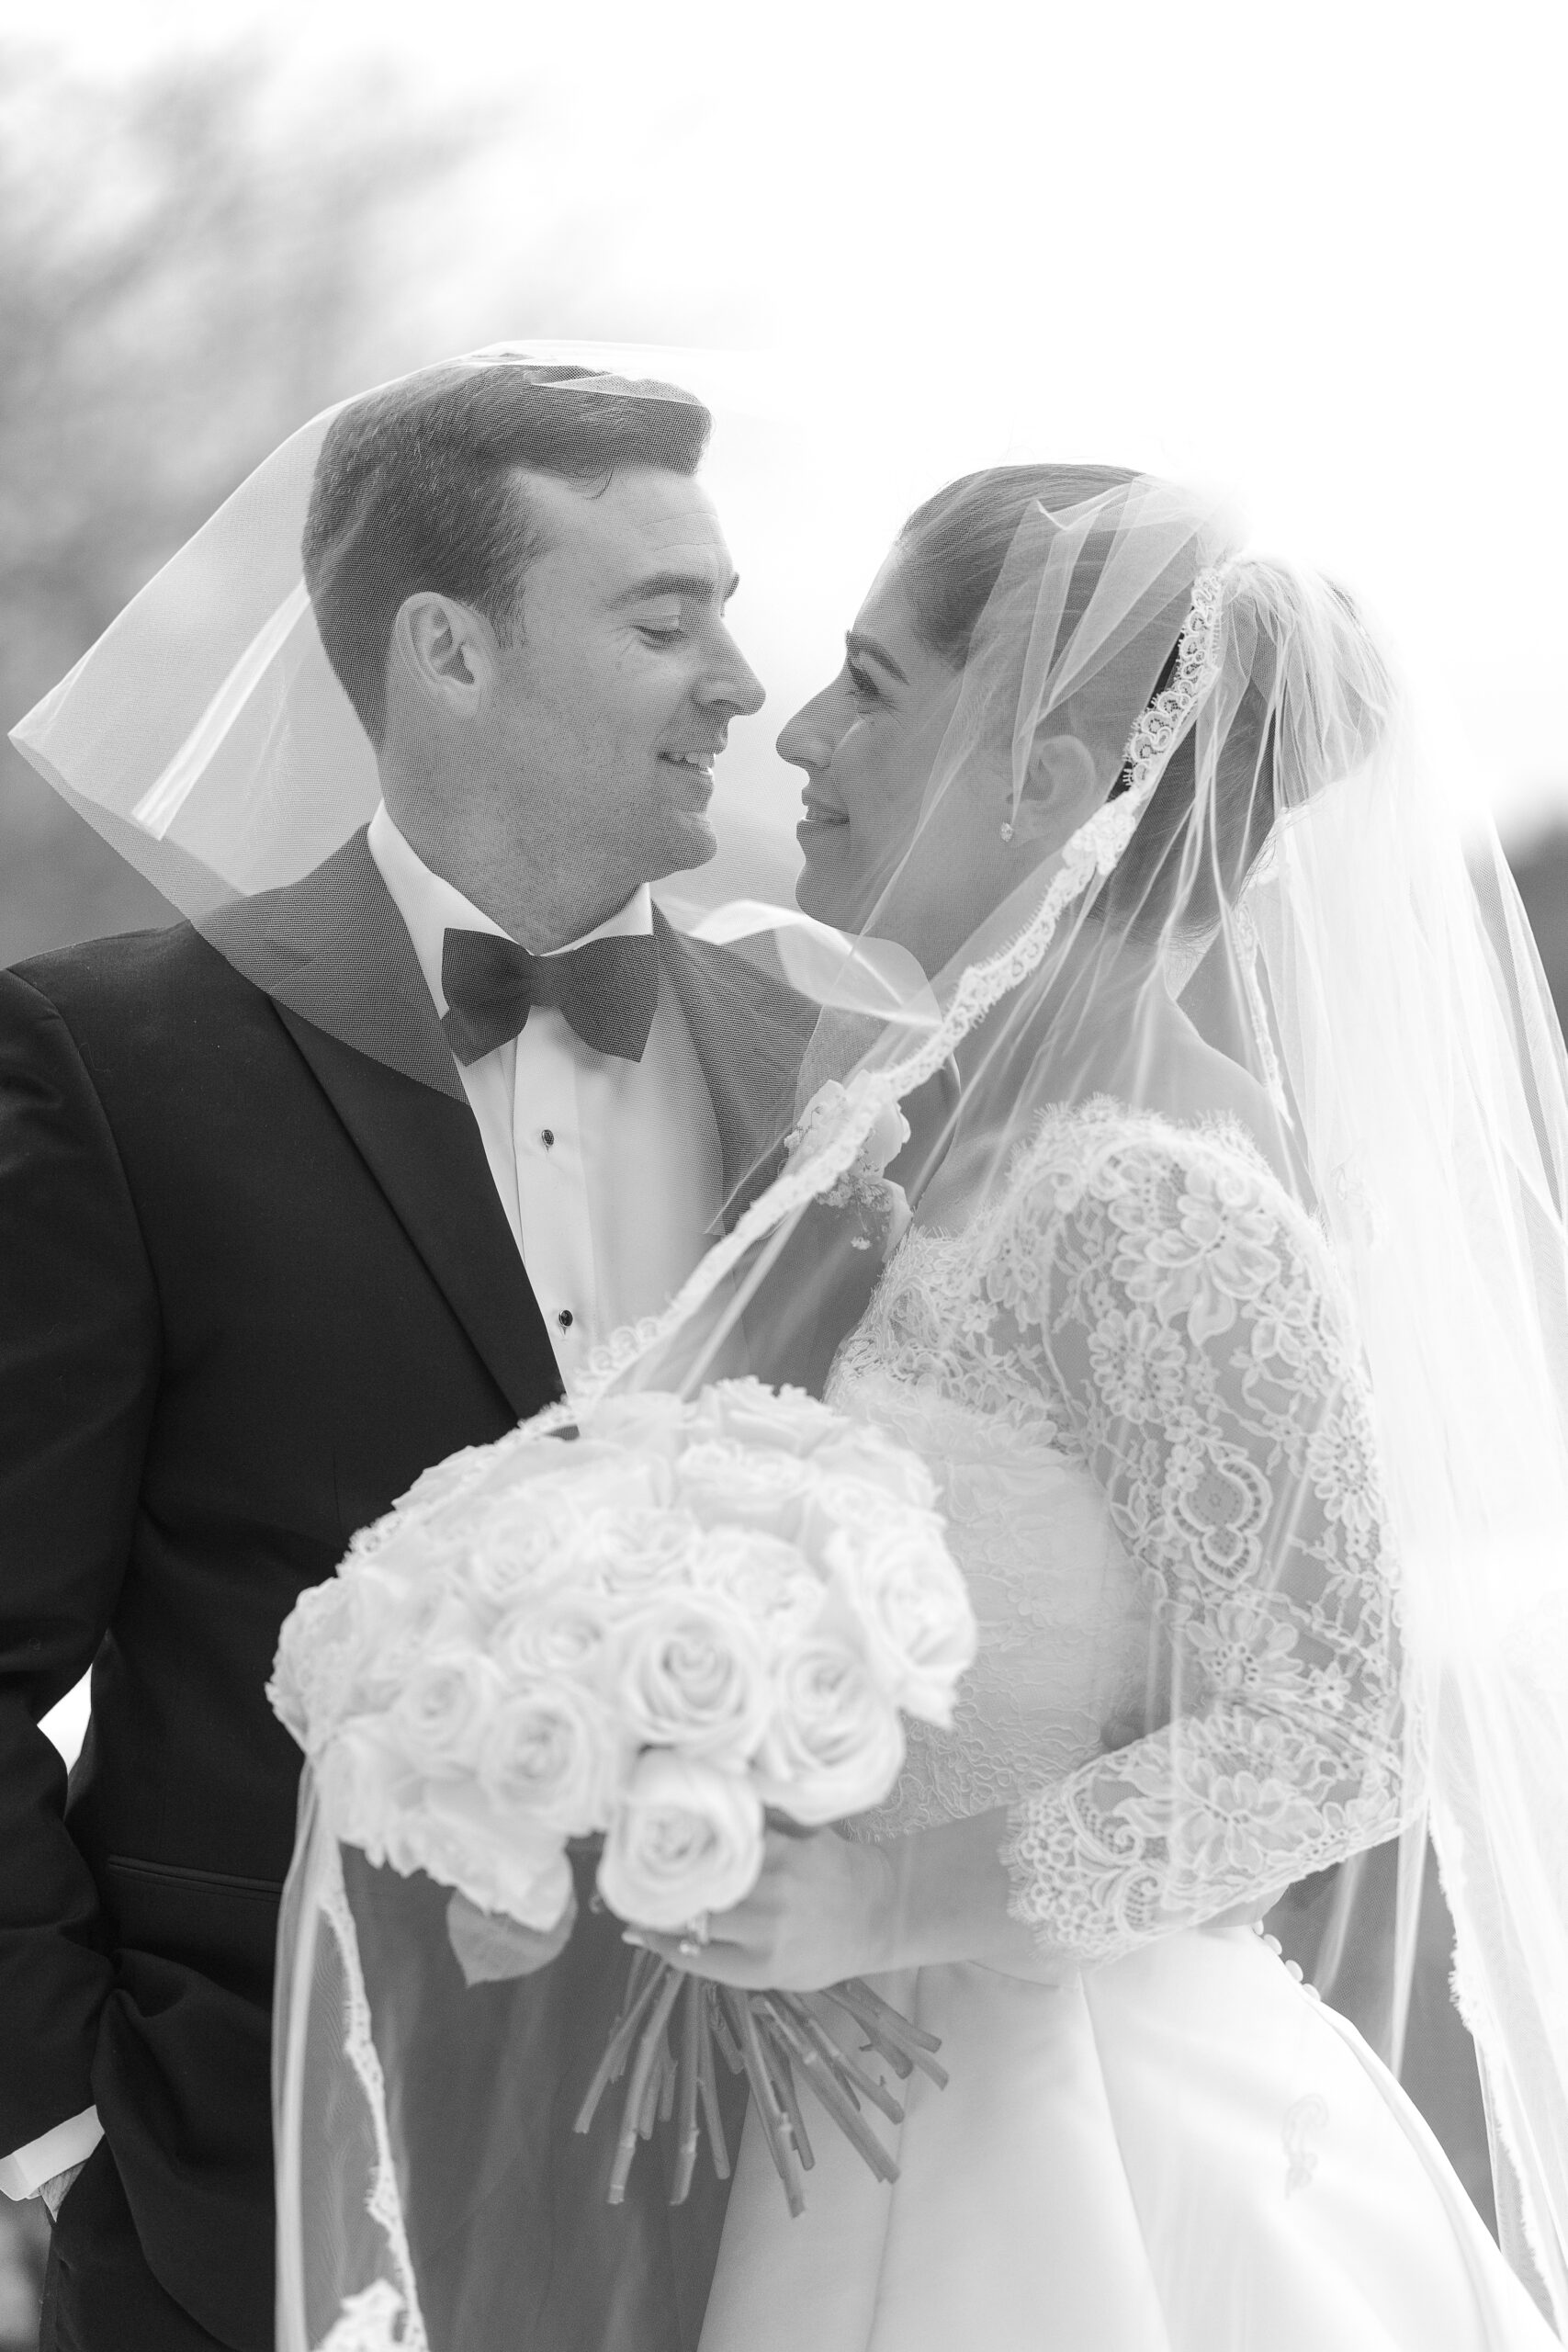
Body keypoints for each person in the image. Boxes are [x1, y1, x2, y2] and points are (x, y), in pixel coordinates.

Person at [569, 467, 1568, 2347]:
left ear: (1035, 775)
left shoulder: (1148, 1190)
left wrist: (875, 1901)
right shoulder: (911, 1119)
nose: (799, 727)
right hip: (862, 2115)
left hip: (1080, 2138)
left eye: (868, 681)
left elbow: (1329, 1730)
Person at [0, 356, 814, 2352]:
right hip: (255, 2204)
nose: (741, 681)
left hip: (786, 2197)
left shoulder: (829, 1073)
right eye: (664, 615)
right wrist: (60, 2135)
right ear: (448, 649)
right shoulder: (111, 1064)